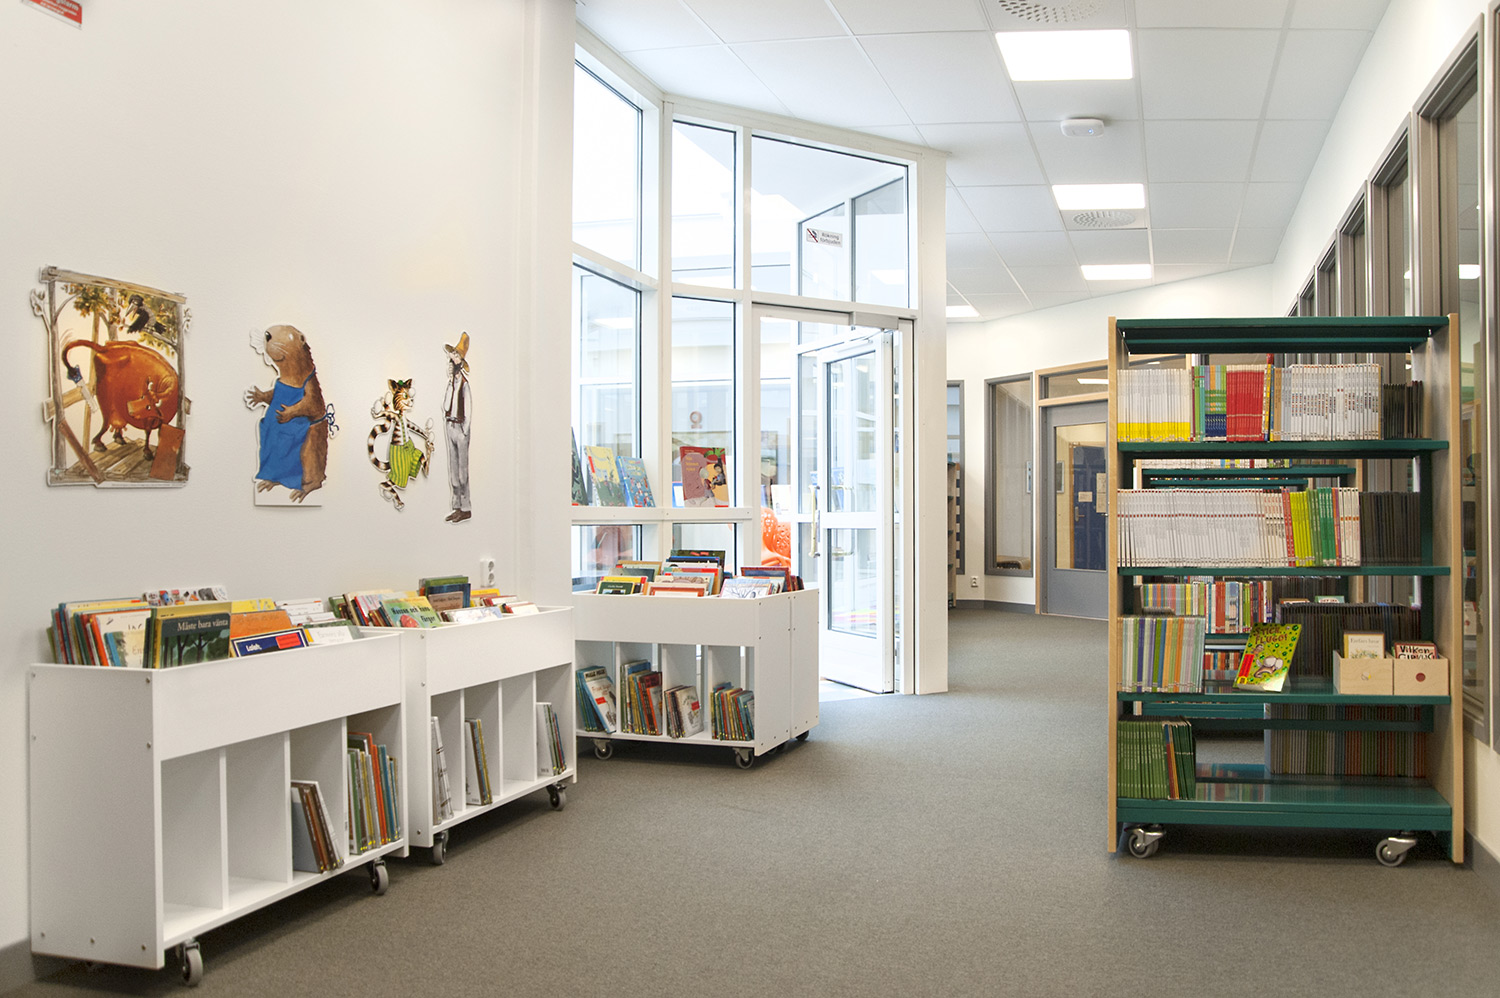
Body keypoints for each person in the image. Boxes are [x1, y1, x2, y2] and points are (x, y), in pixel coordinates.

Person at [442, 332, 472, 522]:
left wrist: (464, 430)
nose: (452, 359)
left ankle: (466, 507)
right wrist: (450, 385)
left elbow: (468, 409)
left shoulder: (465, 385)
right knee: (453, 468)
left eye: (455, 356)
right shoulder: (451, 384)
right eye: (452, 356)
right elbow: (445, 405)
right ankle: (456, 506)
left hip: (460, 427)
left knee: (462, 471)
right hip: (450, 425)